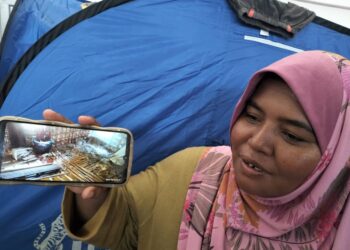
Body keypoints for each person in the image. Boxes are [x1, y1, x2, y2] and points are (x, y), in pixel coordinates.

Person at [44, 50, 350, 249]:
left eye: (292, 136)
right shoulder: (196, 173)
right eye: (252, 117)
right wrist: (93, 195)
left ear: (338, 155)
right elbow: (126, 225)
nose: (257, 142)